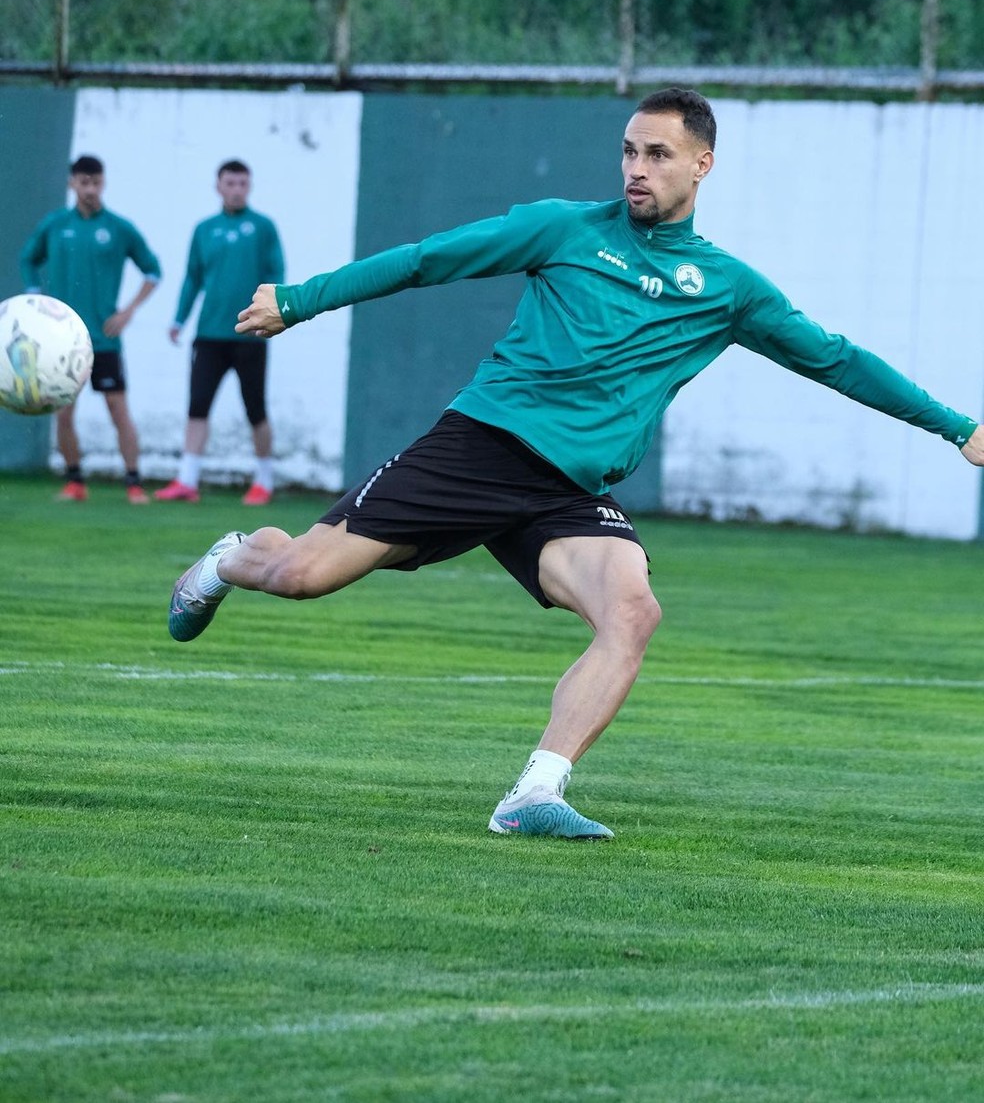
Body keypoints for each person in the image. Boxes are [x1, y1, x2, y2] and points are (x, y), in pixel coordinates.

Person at [166, 88, 984, 840]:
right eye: (629, 151)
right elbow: (426, 259)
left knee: (633, 614)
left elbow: (836, 360)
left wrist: (957, 426)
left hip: (567, 492)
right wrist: (301, 298)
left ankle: (534, 794)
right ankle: (228, 558)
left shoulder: (729, 289)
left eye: (658, 154)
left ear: (703, 164)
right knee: (302, 575)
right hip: (479, 448)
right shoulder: (564, 228)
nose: (636, 169)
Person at [20, 154, 162, 504]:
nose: (90, 189)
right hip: (62, 339)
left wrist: (128, 312)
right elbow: (28, 258)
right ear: (72, 183)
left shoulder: (118, 227)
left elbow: (153, 270)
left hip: (105, 339)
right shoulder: (55, 225)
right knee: (64, 412)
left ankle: (133, 483)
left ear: (103, 183)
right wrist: (35, 298)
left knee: (118, 409)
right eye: (83, 182)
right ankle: (75, 482)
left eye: (96, 182)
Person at [155, 160, 285, 506]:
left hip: (250, 333)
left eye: (243, 183)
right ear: (219, 186)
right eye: (231, 183)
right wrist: (179, 320)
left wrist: (275, 317)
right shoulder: (204, 229)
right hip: (209, 335)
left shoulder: (263, 228)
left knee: (255, 407)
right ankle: (187, 480)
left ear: (249, 186)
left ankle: (264, 482)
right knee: (198, 405)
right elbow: (192, 277)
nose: (237, 189)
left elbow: (277, 274)